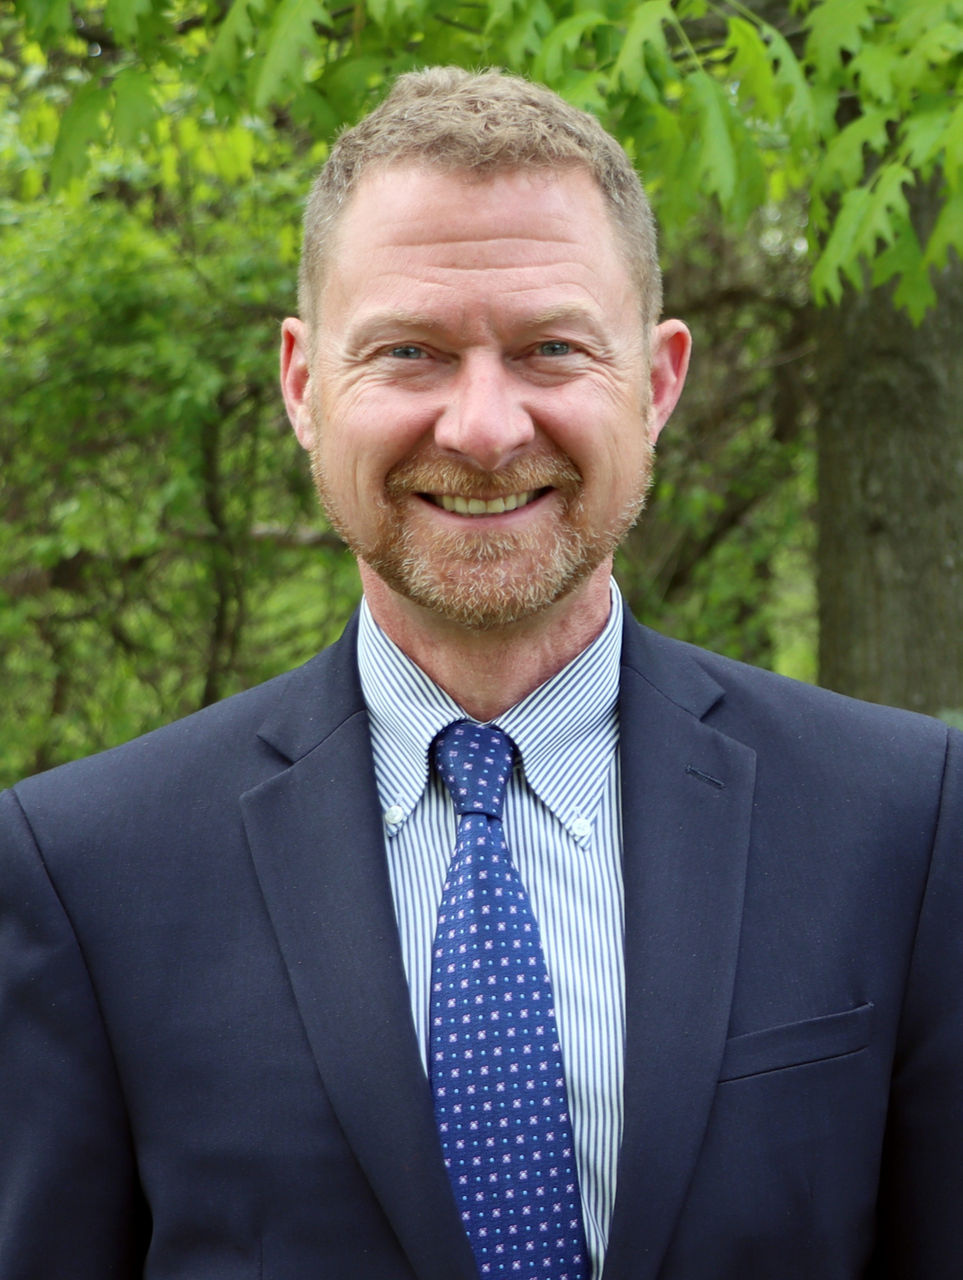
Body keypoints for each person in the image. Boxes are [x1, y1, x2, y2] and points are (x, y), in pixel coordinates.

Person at [0, 66, 960, 1280]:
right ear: (304, 385)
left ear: (657, 382)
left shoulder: (902, 820)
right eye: (410, 351)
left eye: (552, 347)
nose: (485, 426)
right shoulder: (85, 873)